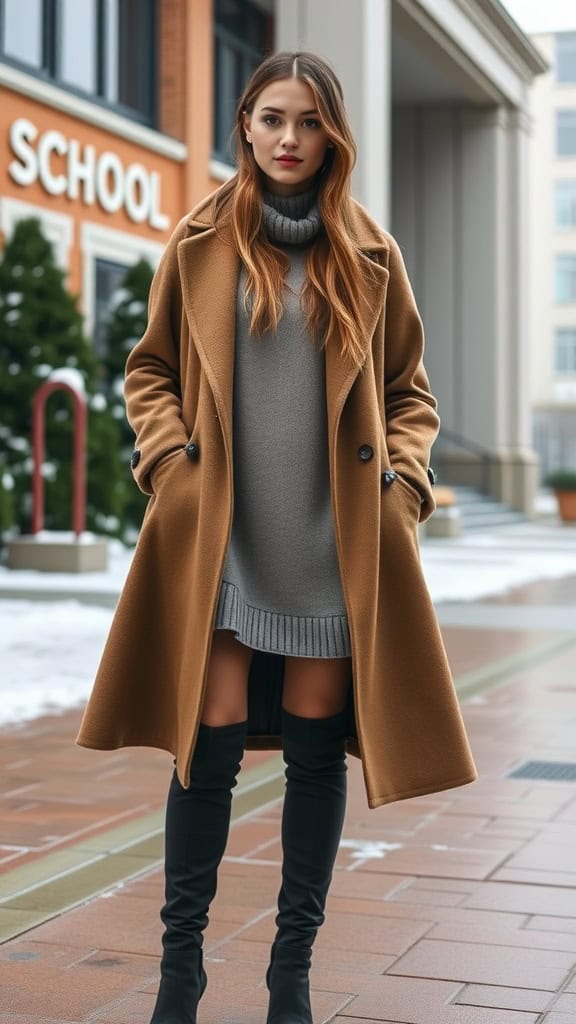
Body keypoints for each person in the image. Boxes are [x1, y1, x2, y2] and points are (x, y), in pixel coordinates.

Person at [76, 50, 476, 1024]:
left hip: (332, 547)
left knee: (311, 754)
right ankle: (181, 974)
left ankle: (289, 977)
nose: (287, 139)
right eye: (269, 119)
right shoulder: (199, 239)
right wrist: (170, 468)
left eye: (305, 121)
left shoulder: (370, 253)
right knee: (201, 750)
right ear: (244, 127)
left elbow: (412, 394)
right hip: (222, 539)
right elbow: (150, 371)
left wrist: (404, 490)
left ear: (330, 132)